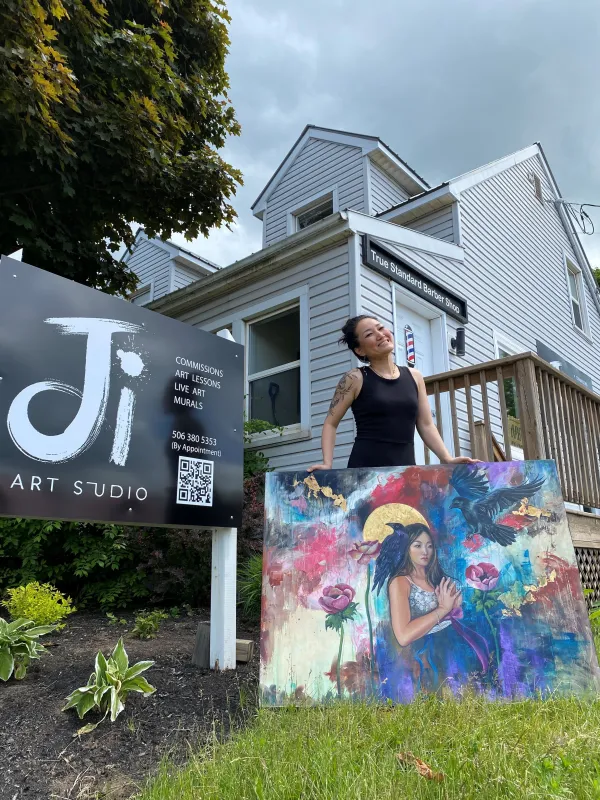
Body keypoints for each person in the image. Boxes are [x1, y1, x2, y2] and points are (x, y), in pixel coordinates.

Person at [308, 315, 478, 471]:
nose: (380, 334)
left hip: (405, 470)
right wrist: (327, 463)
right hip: (365, 470)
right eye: (369, 334)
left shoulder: (415, 376)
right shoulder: (355, 378)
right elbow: (330, 423)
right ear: (360, 350)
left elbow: (426, 424)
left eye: (380, 328)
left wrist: (447, 458)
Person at [373, 522, 489, 696]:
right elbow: (403, 636)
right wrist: (442, 610)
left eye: (429, 546)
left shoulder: (436, 578)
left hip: (452, 645)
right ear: (406, 548)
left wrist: (455, 608)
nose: (425, 552)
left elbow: (455, 613)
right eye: (417, 546)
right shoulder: (400, 582)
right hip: (425, 655)